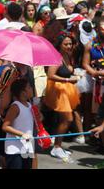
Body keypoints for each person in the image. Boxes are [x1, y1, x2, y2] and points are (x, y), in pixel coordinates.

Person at [45, 32, 80, 160]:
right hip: (58, 91)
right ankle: (57, 148)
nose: (69, 46)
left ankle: (58, 145)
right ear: (60, 45)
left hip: (67, 91)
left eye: (70, 44)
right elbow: (50, 75)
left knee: (63, 120)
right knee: (68, 119)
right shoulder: (57, 57)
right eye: (66, 44)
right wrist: (67, 80)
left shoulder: (68, 56)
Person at [2, 78, 35, 169]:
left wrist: (40, 116)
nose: (32, 88)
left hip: (27, 147)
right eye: (29, 87)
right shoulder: (15, 106)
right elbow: (5, 126)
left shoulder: (30, 105)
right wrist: (22, 134)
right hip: (14, 149)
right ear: (23, 92)